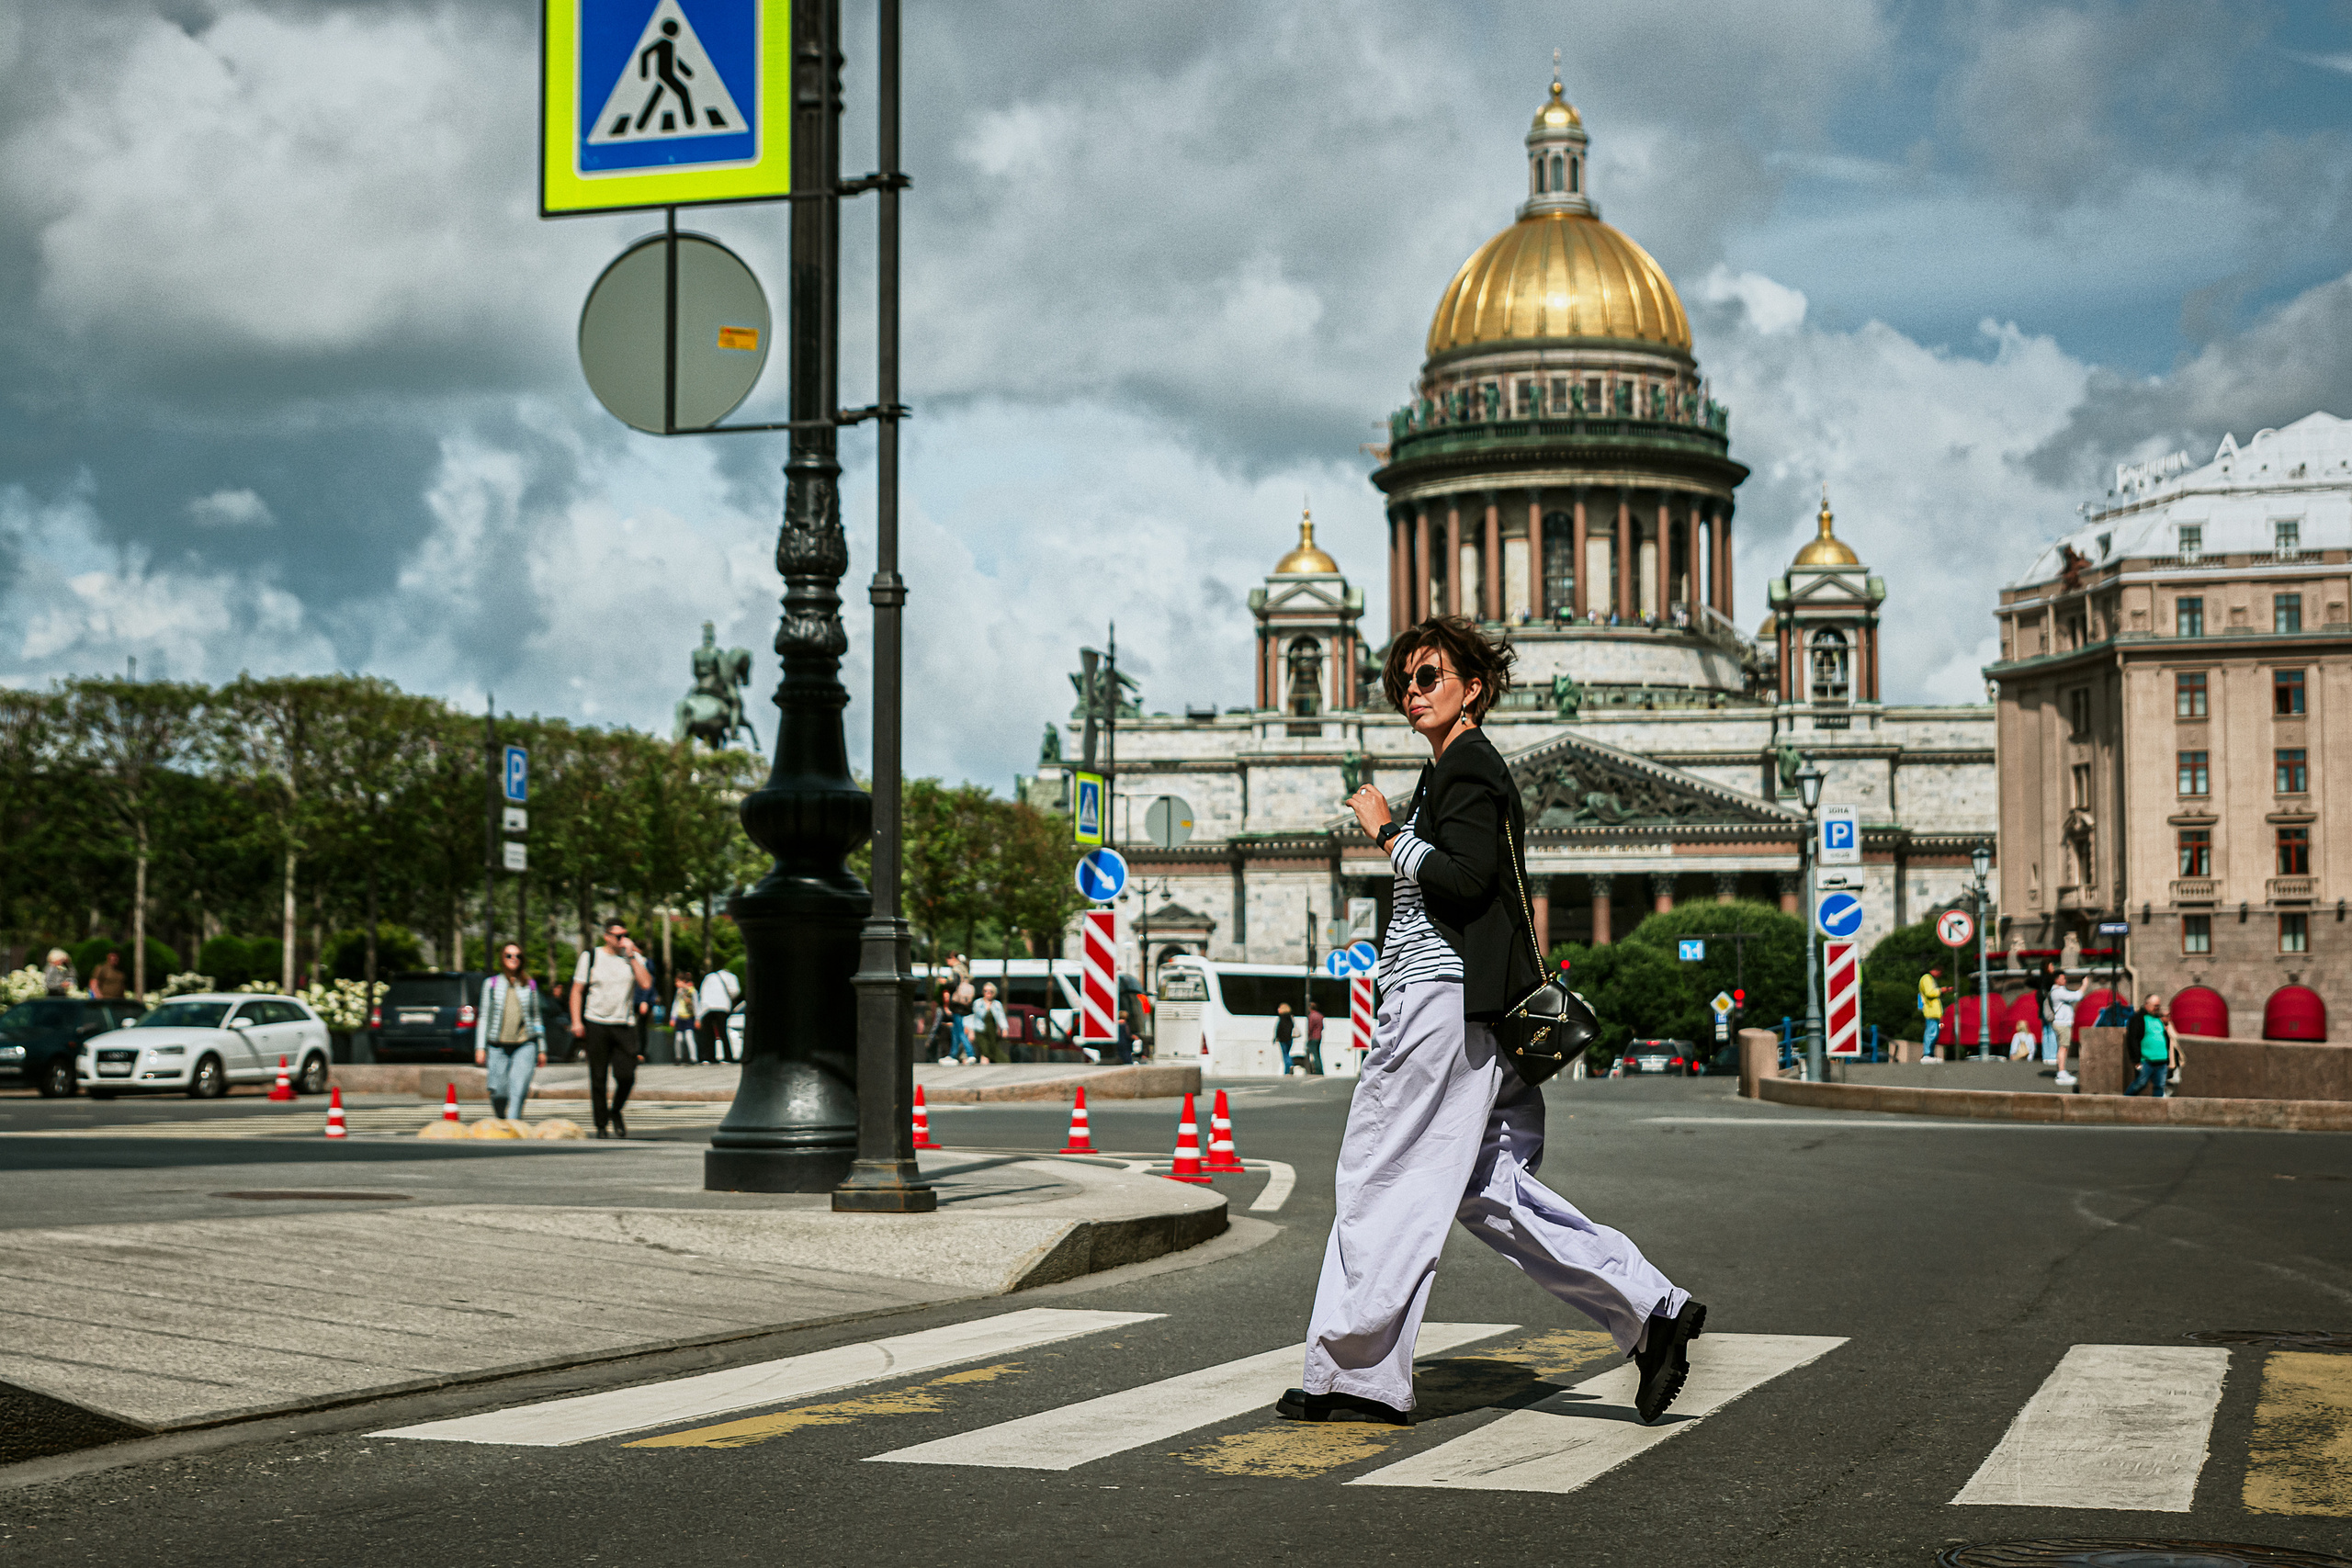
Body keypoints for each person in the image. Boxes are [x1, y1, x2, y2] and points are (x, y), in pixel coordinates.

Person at [1281, 615, 1704, 1429]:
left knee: (1382, 1174)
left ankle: (1355, 1375)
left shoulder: (1466, 766)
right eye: (1402, 680)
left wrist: (1386, 833)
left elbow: (1467, 882)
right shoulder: (1454, 769)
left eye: (1429, 675)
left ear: (1473, 687)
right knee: (1487, 1189)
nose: (1411, 691)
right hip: (1471, 1012)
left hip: (1441, 1007)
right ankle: (1654, 1310)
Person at [571, 920, 653, 1138]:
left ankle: (615, 1111)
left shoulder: (634, 958)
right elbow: (577, 990)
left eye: (626, 935)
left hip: (624, 1024)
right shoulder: (591, 957)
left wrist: (633, 956)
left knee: (627, 1075)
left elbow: (646, 984)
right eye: (618, 936)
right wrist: (576, 1021)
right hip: (596, 1022)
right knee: (598, 1076)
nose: (623, 939)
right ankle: (601, 1125)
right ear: (606, 936)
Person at [474, 942, 545, 1120]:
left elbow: (537, 1018)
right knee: (499, 1092)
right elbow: (483, 1017)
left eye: (517, 956)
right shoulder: (491, 984)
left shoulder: (530, 985)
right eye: (509, 955)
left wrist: (542, 1048)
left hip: (525, 1045)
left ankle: (513, 1125)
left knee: (519, 1089)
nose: (514, 959)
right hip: (497, 1046)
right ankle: (500, 1117)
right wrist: (480, 1048)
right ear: (502, 959)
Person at [2124, 994, 2178, 1097]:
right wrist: (2136, 1061)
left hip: (2161, 1061)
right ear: (2147, 1004)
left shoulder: (2158, 1019)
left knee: (2160, 1086)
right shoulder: (2138, 1018)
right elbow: (2133, 1039)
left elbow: (2165, 1038)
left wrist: (2167, 1060)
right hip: (2146, 1061)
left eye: (2158, 1006)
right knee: (2140, 1083)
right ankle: (2124, 1101)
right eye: (2155, 1006)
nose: (2157, 1008)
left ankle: (2158, 1110)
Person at [697, 963, 741, 1066]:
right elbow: (735, 991)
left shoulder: (709, 977)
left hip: (707, 1007)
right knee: (722, 1032)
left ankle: (708, 1057)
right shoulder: (731, 977)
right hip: (722, 1006)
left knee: (709, 1033)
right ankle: (727, 1057)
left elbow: (702, 993)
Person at [2048, 971, 2085, 1087]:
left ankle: (2061, 1070)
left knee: (2063, 1047)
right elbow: (2077, 996)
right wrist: (2084, 985)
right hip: (2062, 1023)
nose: (2065, 980)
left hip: (2063, 1023)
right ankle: (2061, 1072)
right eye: (2062, 978)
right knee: (2063, 1047)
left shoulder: (2058, 991)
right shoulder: (2058, 992)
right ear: (2056, 980)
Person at [972, 981, 1009, 1065]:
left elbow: (1001, 1017)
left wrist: (1004, 1028)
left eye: (990, 991)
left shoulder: (997, 1004)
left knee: (993, 1050)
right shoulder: (978, 1003)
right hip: (980, 1031)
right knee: (985, 1050)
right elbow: (976, 1016)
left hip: (992, 1032)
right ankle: (983, 1070)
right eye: (986, 991)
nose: (988, 993)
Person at [671, 970, 701, 1064]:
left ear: (682, 981)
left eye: (677, 982)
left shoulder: (692, 991)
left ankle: (693, 1058)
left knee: (689, 1037)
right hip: (680, 1017)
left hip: (689, 1017)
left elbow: (696, 1005)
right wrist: (673, 1017)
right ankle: (678, 1057)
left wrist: (697, 1019)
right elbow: (675, 1004)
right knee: (678, 1038)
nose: (676, 984)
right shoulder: (679, 992)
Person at [1917, 968, 1944, 1063]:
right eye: (1939, 971)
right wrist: (1941, 990)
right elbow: (1930, 993)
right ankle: (1927, 1054)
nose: (1939, 974)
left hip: (1935, 1012)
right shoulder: (1927, 978)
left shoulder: (1928, 978)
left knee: (1935, 1033)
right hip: (1931, 1011)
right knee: (1931, 1033)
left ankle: (1930, 1054)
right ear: (1933, 970)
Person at [1304, 999, 1327, 1076]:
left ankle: (1317, 1069)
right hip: (1319, 1037)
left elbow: (1310, 1027)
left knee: (1314, 1054)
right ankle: (1320, 1069)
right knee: (1318, 1053)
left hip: (1313, 1037)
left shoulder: (1311, 1016)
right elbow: (1322, 1027)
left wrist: (1308, 1035)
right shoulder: (1320, 1016)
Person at [1274, 1002, 1295, 1074]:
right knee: (1288, 1053)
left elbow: (1279, 1028)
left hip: (1283, 1039)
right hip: (1290, 1038)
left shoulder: (1281, 1018)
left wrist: (1276, 1037)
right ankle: (1290, 1066)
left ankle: (1288, 1069)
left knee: (1285, 1054)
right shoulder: (1290, 1018)